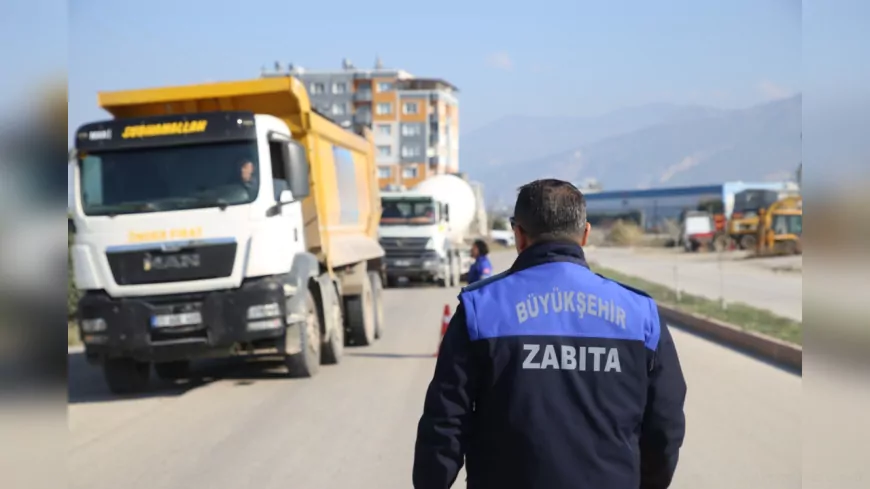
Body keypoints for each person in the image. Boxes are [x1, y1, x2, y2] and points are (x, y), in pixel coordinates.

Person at [413, 178, 687, 489]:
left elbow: (446, 421)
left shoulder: (481, 309)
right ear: (585, 234)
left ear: (518, 235)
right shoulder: (641, 315)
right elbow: (666, 424)